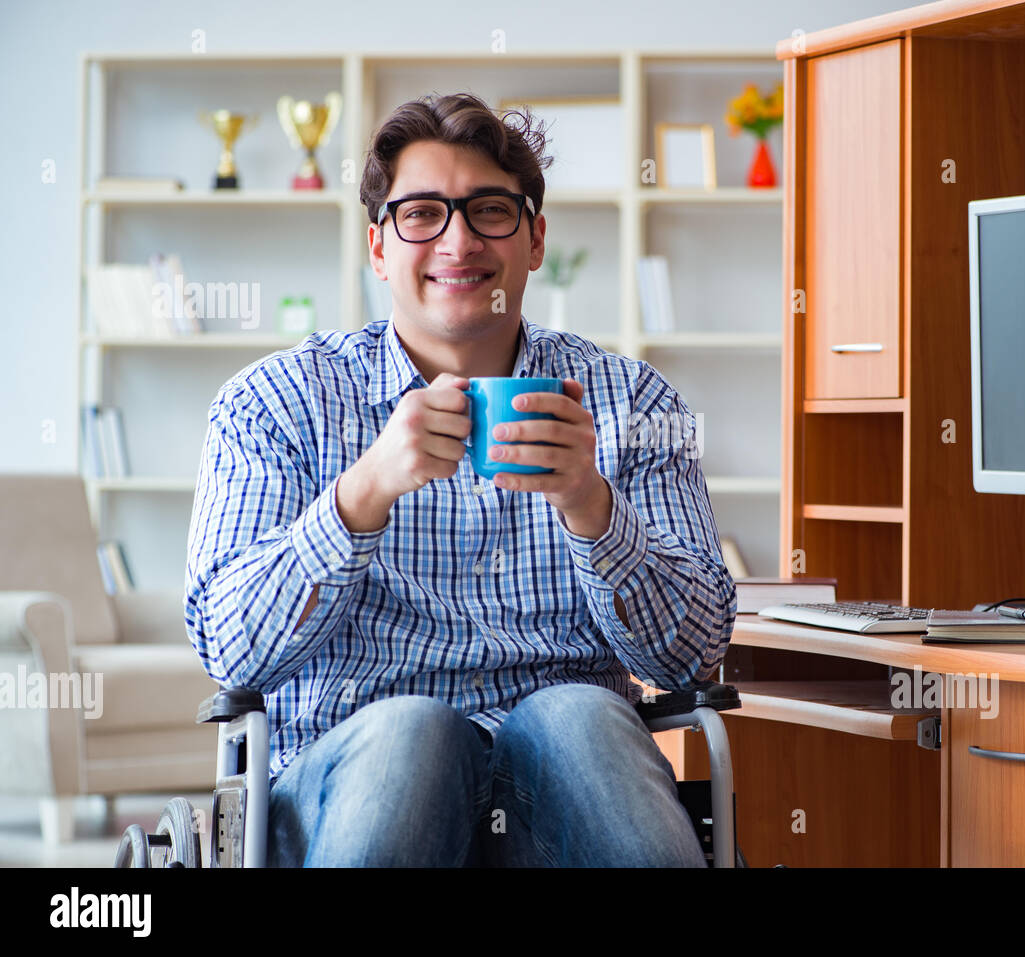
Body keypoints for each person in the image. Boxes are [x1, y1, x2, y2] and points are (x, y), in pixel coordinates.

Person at [183, 92, 737, 866]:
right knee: (413, 731)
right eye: (422, 214)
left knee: (578, 716)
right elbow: (229, 649)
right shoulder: (276, 401)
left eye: (489, 211)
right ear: (379, 246)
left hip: (566, 794)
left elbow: (693, 655)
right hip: (354, 786)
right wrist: (361, 493)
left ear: (535, 239)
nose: (458, 240)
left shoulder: (632, 402)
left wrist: (592, 505)